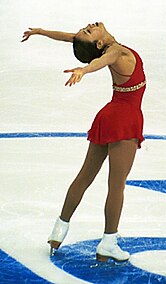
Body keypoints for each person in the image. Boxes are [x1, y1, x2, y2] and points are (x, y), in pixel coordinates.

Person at [22, 22, 146, 262]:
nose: (90, 25)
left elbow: (70, 38)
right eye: (90, 31)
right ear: (99, 44)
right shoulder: (116, 51)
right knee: (116, 186)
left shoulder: (104, 47)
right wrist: (84, 70)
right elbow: (103, 60)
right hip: (125, 120)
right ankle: (108, 243)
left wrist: (41, 32)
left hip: (107, 116)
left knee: (84, 176)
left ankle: (59, 231)